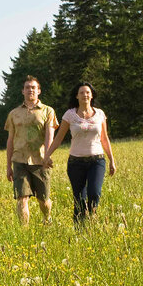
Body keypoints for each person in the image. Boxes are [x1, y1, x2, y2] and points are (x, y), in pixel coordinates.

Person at [44, 82, 116, 220]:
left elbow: (104, 139)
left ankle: (92, 216)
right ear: (76, 96)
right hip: (75, 162)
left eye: (88, 92)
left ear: (92, 95)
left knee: (94, 193)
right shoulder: (70, 115)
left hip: (97, 160)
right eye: (82, 92)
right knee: (79, 199)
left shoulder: (100, 114)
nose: (85, 95)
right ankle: (79, 231)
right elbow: (58, 139)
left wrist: (112, 160)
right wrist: (47, 156)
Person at [4, 76, 58, 225]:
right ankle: (24, 231)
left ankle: (47, 218)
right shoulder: (14, 114)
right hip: (19, 160)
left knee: (43, 200)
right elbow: (10, 141)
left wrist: (47, 156)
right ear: (23, 91)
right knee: (22, 198)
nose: (30, 90)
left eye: (33, 87)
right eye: (27, 87)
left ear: (39, 91)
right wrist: (8, 166)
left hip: (40, 160)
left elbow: (49, 137)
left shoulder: (48, 111)